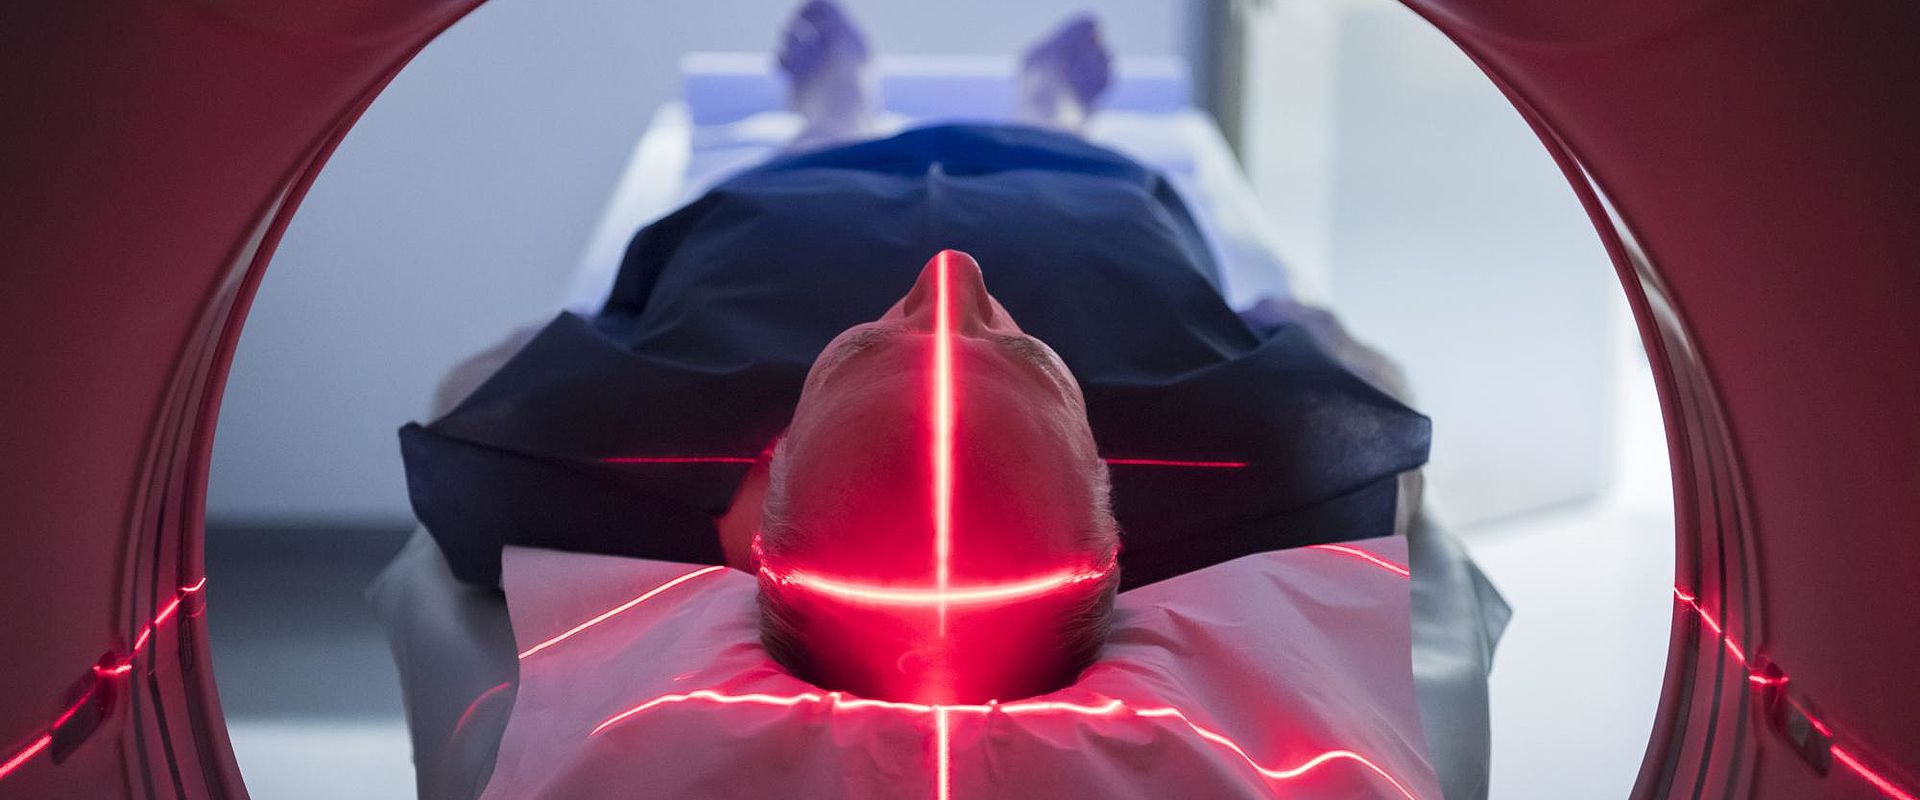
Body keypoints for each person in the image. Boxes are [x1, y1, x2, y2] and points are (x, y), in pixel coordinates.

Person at [402, 1, 1429, 707]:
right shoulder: (1256, 464)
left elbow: (466, 401)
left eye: (855, 351)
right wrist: (1285, 316)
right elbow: (1384, 415)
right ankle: (1050, 111)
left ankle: (834, 112)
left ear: (772, 469)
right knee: (1066, 146)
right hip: (1080, 197)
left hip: (798, 204)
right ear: (1110, 476)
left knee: (813, 158)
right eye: (1026, 352)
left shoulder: (621, 456)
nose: (948, 271)